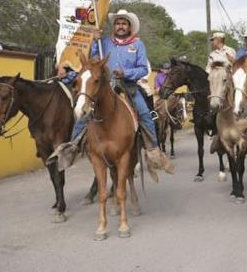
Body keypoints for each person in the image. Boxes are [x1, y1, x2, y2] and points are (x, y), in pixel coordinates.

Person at [48, 9, 173, 173]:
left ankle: (153, 150)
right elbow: (91, 63)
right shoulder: (103, 42)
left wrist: (126, 72)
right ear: (114, 26)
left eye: (124, 23)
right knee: (84, 113)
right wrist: (94, 42)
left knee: (144, 113)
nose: (120, 26)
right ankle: (73, 146)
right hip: (104, 85)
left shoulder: (137, 45)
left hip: (127, 85)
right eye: (118, 23)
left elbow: (143, 69)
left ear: (129, 27)